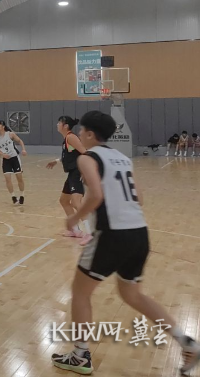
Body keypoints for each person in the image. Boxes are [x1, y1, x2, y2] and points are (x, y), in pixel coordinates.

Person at [51, 111, 200, 376]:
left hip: (112, 235)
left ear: (89, 134)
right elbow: (139, 198)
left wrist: (74, 218)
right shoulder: (122, 158)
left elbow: (95, 195)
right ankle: (186, 341)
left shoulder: (87, 158)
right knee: (132, 294)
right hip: (139, 233)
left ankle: (80, 355)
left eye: (82, 130)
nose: (80, 133)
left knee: (80, 293)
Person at [46, 116, 92, 245]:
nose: (57, 124)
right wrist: (56, 161)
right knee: (64, 200)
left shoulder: (71, 137)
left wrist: (85, 170)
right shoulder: (67, 139)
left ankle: (89, 233)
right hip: (72, 173)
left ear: (65, 126)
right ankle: (75, 231)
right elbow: (71, 154)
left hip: (77, 172)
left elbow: (85, 152)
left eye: (59, 123)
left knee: (76, 202)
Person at [0, 120, 27, 205]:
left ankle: (22, 195)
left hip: (15, 158)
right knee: (8, 179)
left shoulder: (10, 134)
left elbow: (20, 141)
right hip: (5, 160)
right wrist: (3, 155)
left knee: (19, 178)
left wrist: (23, 149)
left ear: (3, 126)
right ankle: (13, 197)